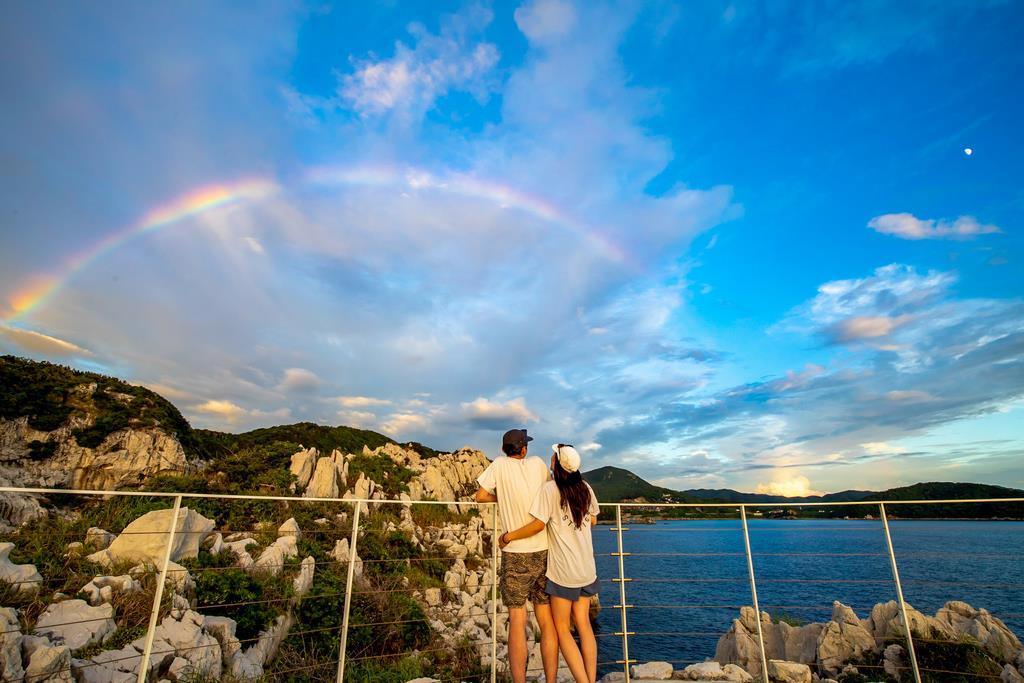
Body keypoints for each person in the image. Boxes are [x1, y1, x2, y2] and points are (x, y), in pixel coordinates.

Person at [499, 443, 600, 683]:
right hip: (587, 569)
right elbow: (593, 520)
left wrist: (508, 536)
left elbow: (537, 525)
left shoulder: (550, 489)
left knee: (563, 629)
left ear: (556, 463)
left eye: (553, 456)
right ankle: (591, 679)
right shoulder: (585, 488)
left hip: (564, 572)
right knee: (584, 625)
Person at [475, 429, 558, 683]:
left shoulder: (499, 465)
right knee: (546, 620)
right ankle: (551, 680)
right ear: (524, 449)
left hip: (514, 554)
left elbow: (479, 496)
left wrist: (502, 495)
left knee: (517, 620)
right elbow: (548, 490)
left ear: (503, 450)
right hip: (543, 551)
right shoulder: (538, 465)